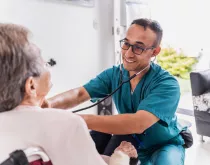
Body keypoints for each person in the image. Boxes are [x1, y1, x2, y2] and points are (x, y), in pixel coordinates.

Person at [44, 18, 186, 165]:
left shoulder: (167, 84)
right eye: (126, 44)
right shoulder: (115, 74)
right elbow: (80, 94)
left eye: (138, 47)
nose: (128, 54)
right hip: (130, 141)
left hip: (163, 145)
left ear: (155, 51)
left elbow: (138, 123)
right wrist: (46, 105)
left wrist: (75, 120)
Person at [0, 23, 138, 165]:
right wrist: (122, 157)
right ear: (31, 85)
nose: (48, 66)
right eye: (44, 63)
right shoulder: (65, 124)